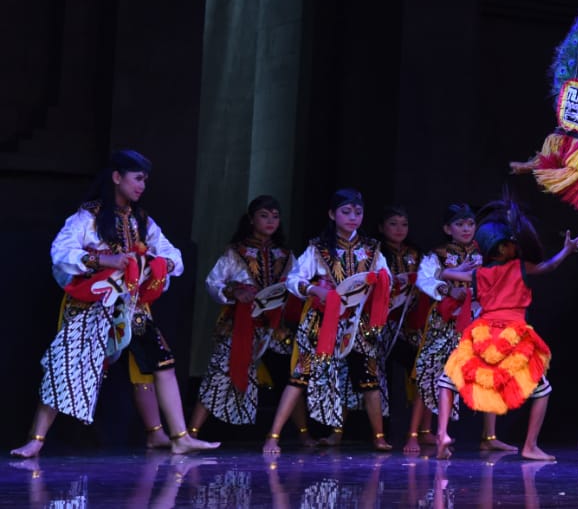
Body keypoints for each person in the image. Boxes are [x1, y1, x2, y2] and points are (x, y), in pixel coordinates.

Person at [11, 150, 220, 458]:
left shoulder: (142, 221)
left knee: (163, 363)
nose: (143, 186)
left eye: (145, 180)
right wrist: (104, 259)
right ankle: (36, 440)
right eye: (138, 178)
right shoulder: (88, 217)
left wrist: (156, 264)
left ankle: (179, 436)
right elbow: (61, 252)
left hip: (132, 306)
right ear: (116, 177)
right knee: (67, 366)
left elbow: (174, 255)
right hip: (92, 306)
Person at [436, 200, 578, 461]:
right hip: (513, 335)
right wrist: (566, 251)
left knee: (447, 379)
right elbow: (548, 266)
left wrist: (454, 271)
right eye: (511, 242)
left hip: (482, 332)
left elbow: (445, 274)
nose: (516, 245)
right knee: (543, 390)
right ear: (502, 247)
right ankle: (530, 446)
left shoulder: (479, 273)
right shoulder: (520, 267)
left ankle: (442, 434)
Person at [261, 188, 391, 454]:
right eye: (346, 211)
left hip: (357, 321)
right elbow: (294, 279)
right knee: (300, 376)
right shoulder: (317, 249)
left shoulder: (372, 250)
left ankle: (378, 436)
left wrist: (380, 283)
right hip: (321, 322)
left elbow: (385, 277)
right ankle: (272, 436)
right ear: (332, 214)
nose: (353, 217)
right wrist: (312, 290)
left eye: (358, 212)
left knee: (369, 378)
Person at [189, 195, 309, 442]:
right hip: (240, 324)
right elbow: (213, 282)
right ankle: (191, 432)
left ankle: (303, 434)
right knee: (219, 373)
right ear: (251, 220)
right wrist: (235, 292)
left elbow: (298, 285)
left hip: (277, 326)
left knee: (290, 376)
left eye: (275, 216)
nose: (270, 221)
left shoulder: (286, 255)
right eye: (264, 215)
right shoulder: (236, 252)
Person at [411, 204, 512, 453]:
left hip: (479, 320)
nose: (466, 229)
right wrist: (448, 288)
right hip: (445, 321)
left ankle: (489, 436)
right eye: (460, 224)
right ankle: (414, 434)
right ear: (447, 228)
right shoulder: (439, 254)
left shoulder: (485, 252)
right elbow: (424, 278)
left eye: (470, 224)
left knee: (491, 372)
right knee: (430, 372)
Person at [375, 205, 428, 454]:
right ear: (381, 228)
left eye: (403, 224)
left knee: (421, 369)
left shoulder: (417, 253)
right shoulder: (374, 253)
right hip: (380, 324)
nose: (399, 229)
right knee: (377, 376)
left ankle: (419, 431)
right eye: (393, 224)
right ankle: (377, 432)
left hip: (409, 324)